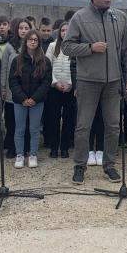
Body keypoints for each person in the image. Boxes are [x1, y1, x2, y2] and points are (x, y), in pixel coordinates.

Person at [62, 0, 127, 185]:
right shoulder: (80, 17)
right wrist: (90, 48)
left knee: (113, 126)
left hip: (113, 82)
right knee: (83, 126)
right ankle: (80, 165)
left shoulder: (120, 17)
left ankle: (109, 165)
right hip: (88, 81)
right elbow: (67, 47)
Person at [8, 30, 52, 168]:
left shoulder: (45, 61)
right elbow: (13, 81)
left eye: (35, 40)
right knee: (19, 128)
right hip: (20, 101)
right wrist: (22, 98)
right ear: (25, 41)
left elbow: (46, 82)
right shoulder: (17, 60)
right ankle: (20, 155)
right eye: (30, 39)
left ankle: (33, 154)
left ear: (39, 43)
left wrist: (34, 98)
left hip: (37, 101)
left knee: (34, 128)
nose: (32, 42)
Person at [0, 18, 32, 159]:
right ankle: (13, 147)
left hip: (29, 90)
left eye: (26, 28)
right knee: (11, 120)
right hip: (11, 89)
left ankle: (26, 147)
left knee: (27, 121)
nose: (23, 31)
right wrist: (3, 88)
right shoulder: (9, 47)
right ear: (16, 30)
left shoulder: (34, 46)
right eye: (21, 28)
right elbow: (4, 69)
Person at [45, 21, 76, 159]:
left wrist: (71, 84)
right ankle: (53, 147)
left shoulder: (75, 47)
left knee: (68, 120)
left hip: (70, 89)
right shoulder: (52, 46)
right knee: (54, 119)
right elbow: (47, 66)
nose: (65, 33)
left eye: (68, 30)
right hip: (55, 88)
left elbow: (77, 67)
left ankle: (65, 147)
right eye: (63, 30)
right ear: (59, 32)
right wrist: (55, 82)